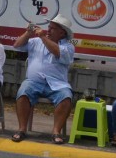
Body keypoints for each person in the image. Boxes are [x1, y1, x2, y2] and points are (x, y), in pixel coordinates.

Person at [11, 14, 76, 144]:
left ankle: (56, 132)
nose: (48, 30)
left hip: (57, 84)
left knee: (66, 96)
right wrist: (28, 33)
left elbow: (57, 51)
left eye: (52, 28)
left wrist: (41, 36)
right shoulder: (36, 41)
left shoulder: (68, 47)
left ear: (62, 33)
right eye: (49, 27)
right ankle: (22, 129)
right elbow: (17, 45)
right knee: (23, 91)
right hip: (34, 82)